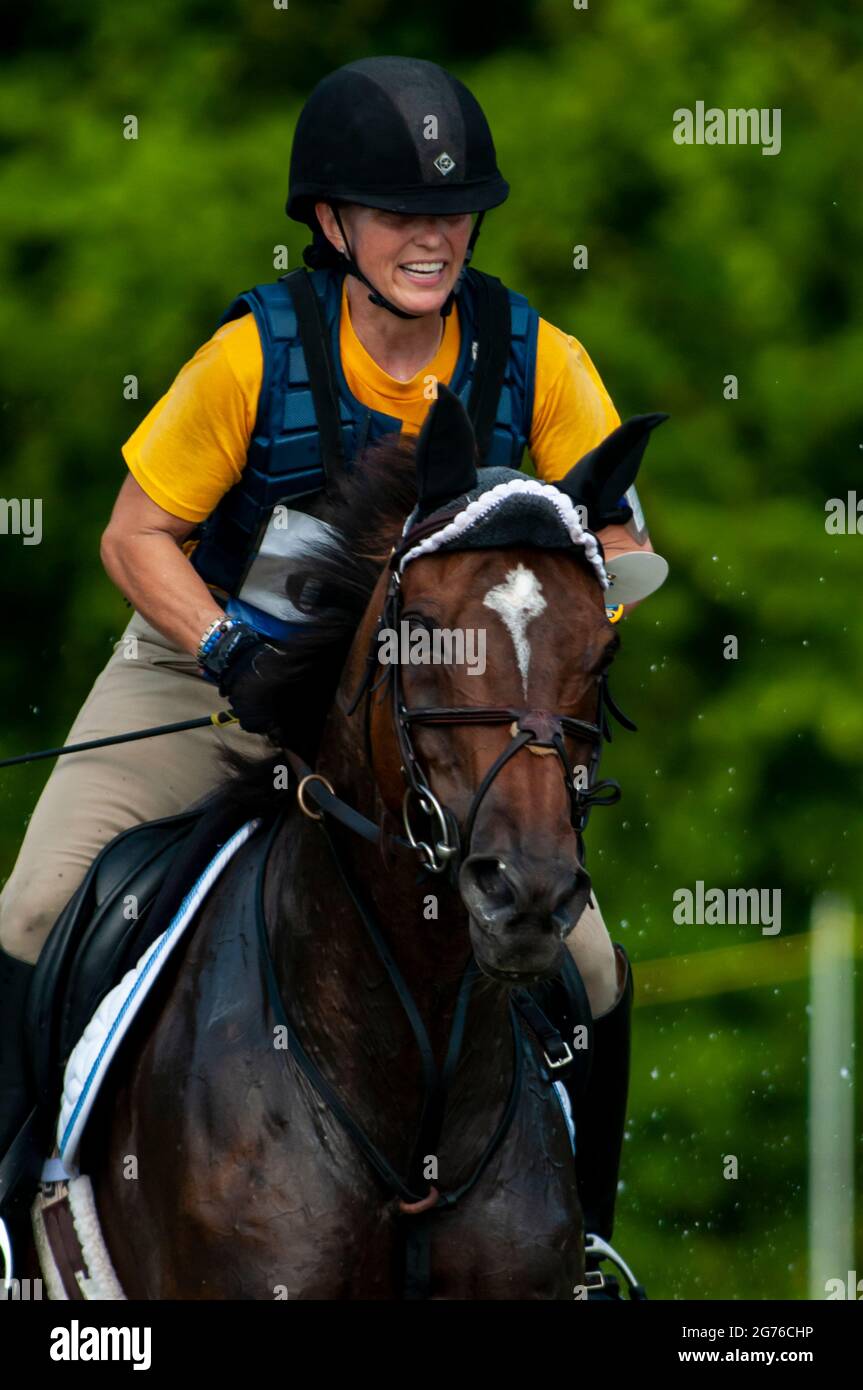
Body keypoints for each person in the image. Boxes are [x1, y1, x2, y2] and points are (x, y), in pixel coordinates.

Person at [0, 56, 660, 1295]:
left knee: (594, 964)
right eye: (399, 211)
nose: (432, 236)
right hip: (213, 669)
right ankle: (6, 1218)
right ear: (331, 221)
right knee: (32, 912)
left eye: (452, 213)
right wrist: (221, 648)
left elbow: (617, 547)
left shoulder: (539, 359)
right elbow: (132, 535)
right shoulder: (255, 357)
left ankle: (583, 1245)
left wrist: (565, 583)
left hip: (436, 700)